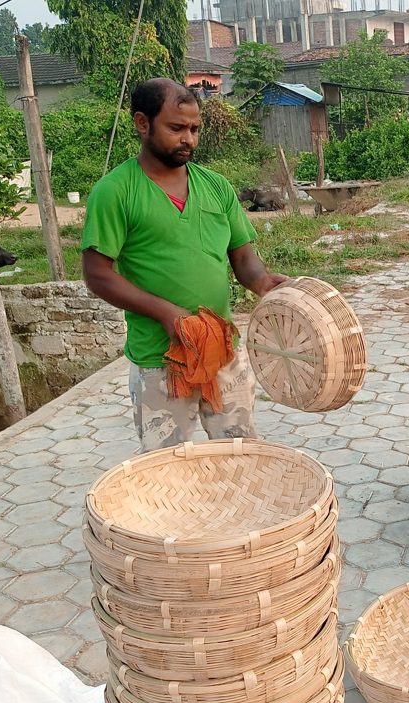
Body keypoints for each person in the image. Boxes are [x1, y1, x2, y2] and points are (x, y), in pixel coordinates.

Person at [81, 78, 286, 452]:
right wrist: (167, 314)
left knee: (240, 456)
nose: (188, 139)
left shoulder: (216, 186)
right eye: (176, 128)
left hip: (223, 351)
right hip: (160, 361)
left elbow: (243, 257)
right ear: (142, 123)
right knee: (169, 468)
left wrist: (263, 283)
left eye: (194, 129)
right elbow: (97, 275)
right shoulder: (115, 191)